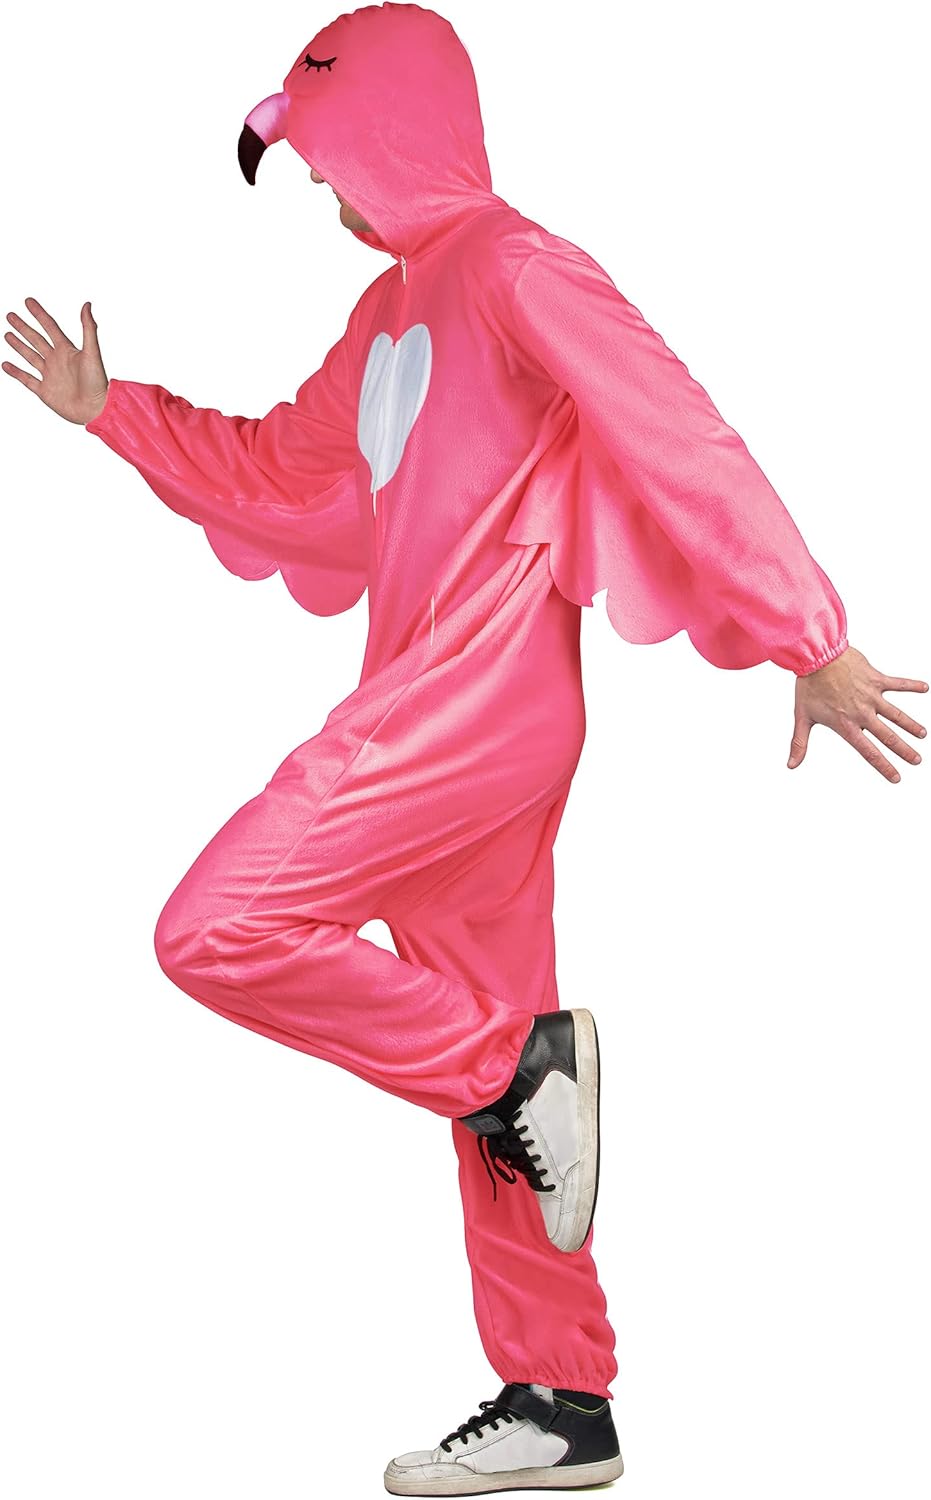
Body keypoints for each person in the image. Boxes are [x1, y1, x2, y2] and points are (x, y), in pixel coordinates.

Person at [3, 4, 926, 1494]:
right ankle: (563, 1400)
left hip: (470, 705)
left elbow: (673, 430)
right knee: (507, 1096)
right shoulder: (391, 315)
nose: (320, 188)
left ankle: (516, 1067)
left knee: (218, 930)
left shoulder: (510, 266)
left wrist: (808, 634)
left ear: (395, 131)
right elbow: (284, 476)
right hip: (461, 720)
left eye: (326, 153)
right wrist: (114, 414)